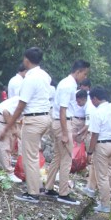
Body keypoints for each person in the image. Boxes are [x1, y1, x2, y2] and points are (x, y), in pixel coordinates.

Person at [1, 47, 52, 204]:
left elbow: (21, 105)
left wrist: (8, 126)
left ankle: (33, 193)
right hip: (45, 117)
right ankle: (36, 187)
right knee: (34, 155)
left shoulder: (30, 78)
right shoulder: (45, 75)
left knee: (30, 157)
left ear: (26, 60)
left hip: (34, 120)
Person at [42, 59, 90, 205]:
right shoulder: (68, 85)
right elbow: (63, 111)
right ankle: (63, 193)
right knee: (67, 159)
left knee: (58, 157)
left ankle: (49, 187)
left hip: (61, 122)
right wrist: (64, 133)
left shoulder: (68, 84)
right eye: (85, 74)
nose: (85, 77)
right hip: (63, 123)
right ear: (78, 71)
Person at [86, 87, 111, 213]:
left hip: (102, 145)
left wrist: (89, 152)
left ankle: (105, 205)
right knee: (110, 171)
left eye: (92, 100)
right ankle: (110, 192)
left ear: (95, 99)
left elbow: (94, 135)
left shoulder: (97, 112)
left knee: (102, 176)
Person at [0, 97, 22, 182]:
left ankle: (11, 164)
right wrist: (9, 130)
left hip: (10, 118)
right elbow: (5, 112)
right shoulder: (24, 101)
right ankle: (9, 173)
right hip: (1, 118)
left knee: (13, 144)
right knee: (5, 146)